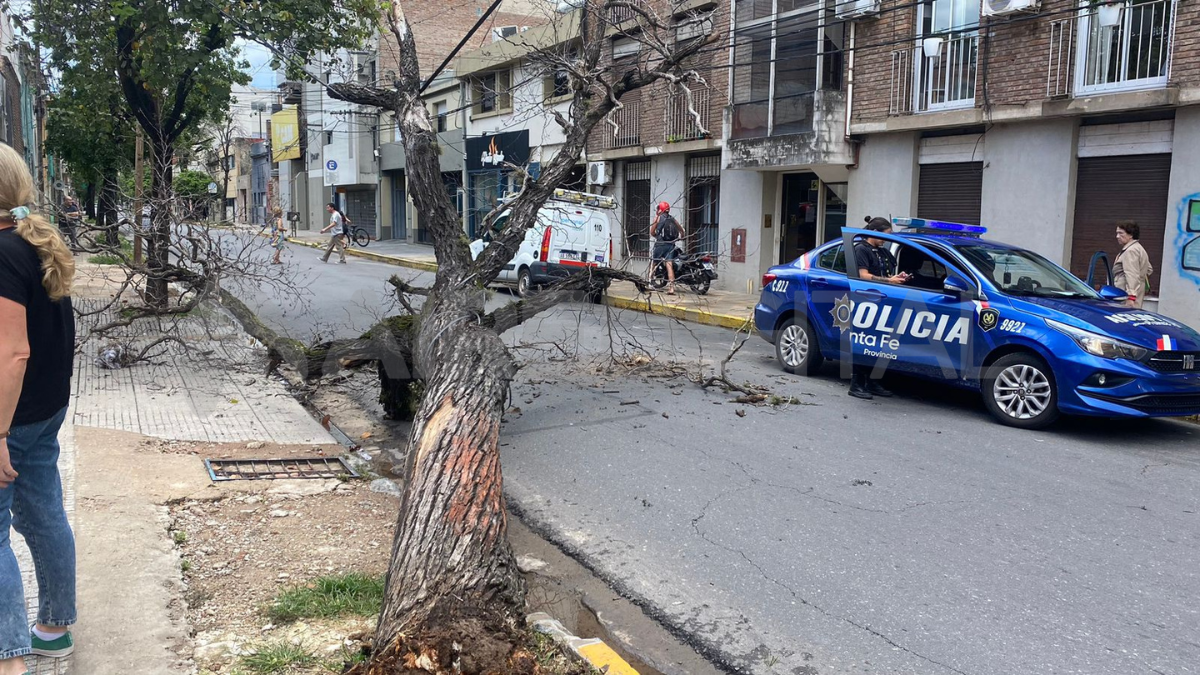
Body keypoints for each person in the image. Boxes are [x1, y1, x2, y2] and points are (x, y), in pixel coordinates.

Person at [0, 143, 78, 674]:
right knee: (44, 512)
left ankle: (8, 658)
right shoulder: (34, 243)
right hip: (44, 408)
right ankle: (53, 629)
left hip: (13, 416)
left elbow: (13, 351)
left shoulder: (3, 254)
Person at [849, 217, 911, 400]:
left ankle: (873, 382)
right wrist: (888, 281)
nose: (887, 239)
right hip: (866, 301)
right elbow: (863, 275)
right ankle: (856, 385)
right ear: (874, 232)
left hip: (883, 301)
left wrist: (897, 277)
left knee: (879, 345)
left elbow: (886, 274)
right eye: (885, 235)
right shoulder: (861, 249)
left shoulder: (882, 252)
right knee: (865, 342)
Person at [1113, 220, 1153, 308]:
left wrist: (1131, 297)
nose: (1117, 236)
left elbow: (1131, 274)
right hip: (1136, 294)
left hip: (1126, 297)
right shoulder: (1138, 248)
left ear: (1131, 235)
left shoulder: (1130, 251)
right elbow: (1149, 269)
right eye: (1117, 233)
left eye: (1121, 233)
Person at [649, 202, 684, 295]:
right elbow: (681, 230)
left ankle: (650, 282)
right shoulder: (672, 219)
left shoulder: (658, 218)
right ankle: (671, 288)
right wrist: (682, 236)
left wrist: (657, 236)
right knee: (669, 265)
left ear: (661, 209)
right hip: (671, 245)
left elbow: (652, 232)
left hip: (660, 244)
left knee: (654, 262)